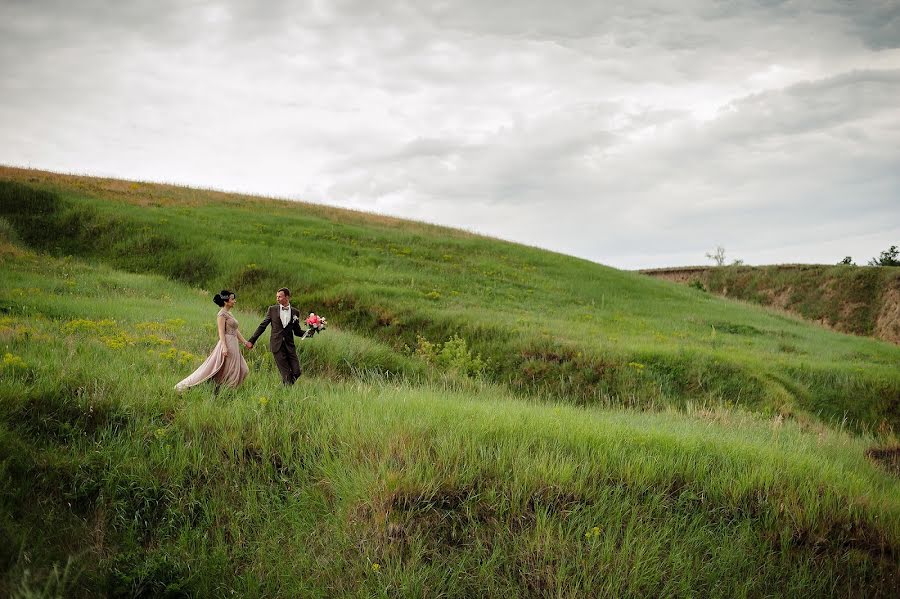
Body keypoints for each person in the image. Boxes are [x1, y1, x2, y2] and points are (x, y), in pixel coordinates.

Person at [175, 290, 251, 392]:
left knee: (243, 369)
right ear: (226, 301)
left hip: (234, 343)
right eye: (232, 299)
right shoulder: (221, 315)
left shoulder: (229, 313)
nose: (235, 301)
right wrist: (224, 346)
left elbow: (235, 330)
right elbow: (221, 332)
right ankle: (227, 391)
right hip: (227, 343)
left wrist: (245, 342)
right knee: (231, 369)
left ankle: (225, 388)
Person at [247, 287, 311, 385]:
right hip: (277, 345)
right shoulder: (272, 309)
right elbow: (262, 326)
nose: (277, 299)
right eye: (276, 297)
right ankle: (286, 390)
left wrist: (309, 333)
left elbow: (297, 331)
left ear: (287, 297)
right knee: (286, 374)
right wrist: (252, 340)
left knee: (297, 372)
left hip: (290, 346)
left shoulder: (295, 312)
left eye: (280, 297)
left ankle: (285, 386)